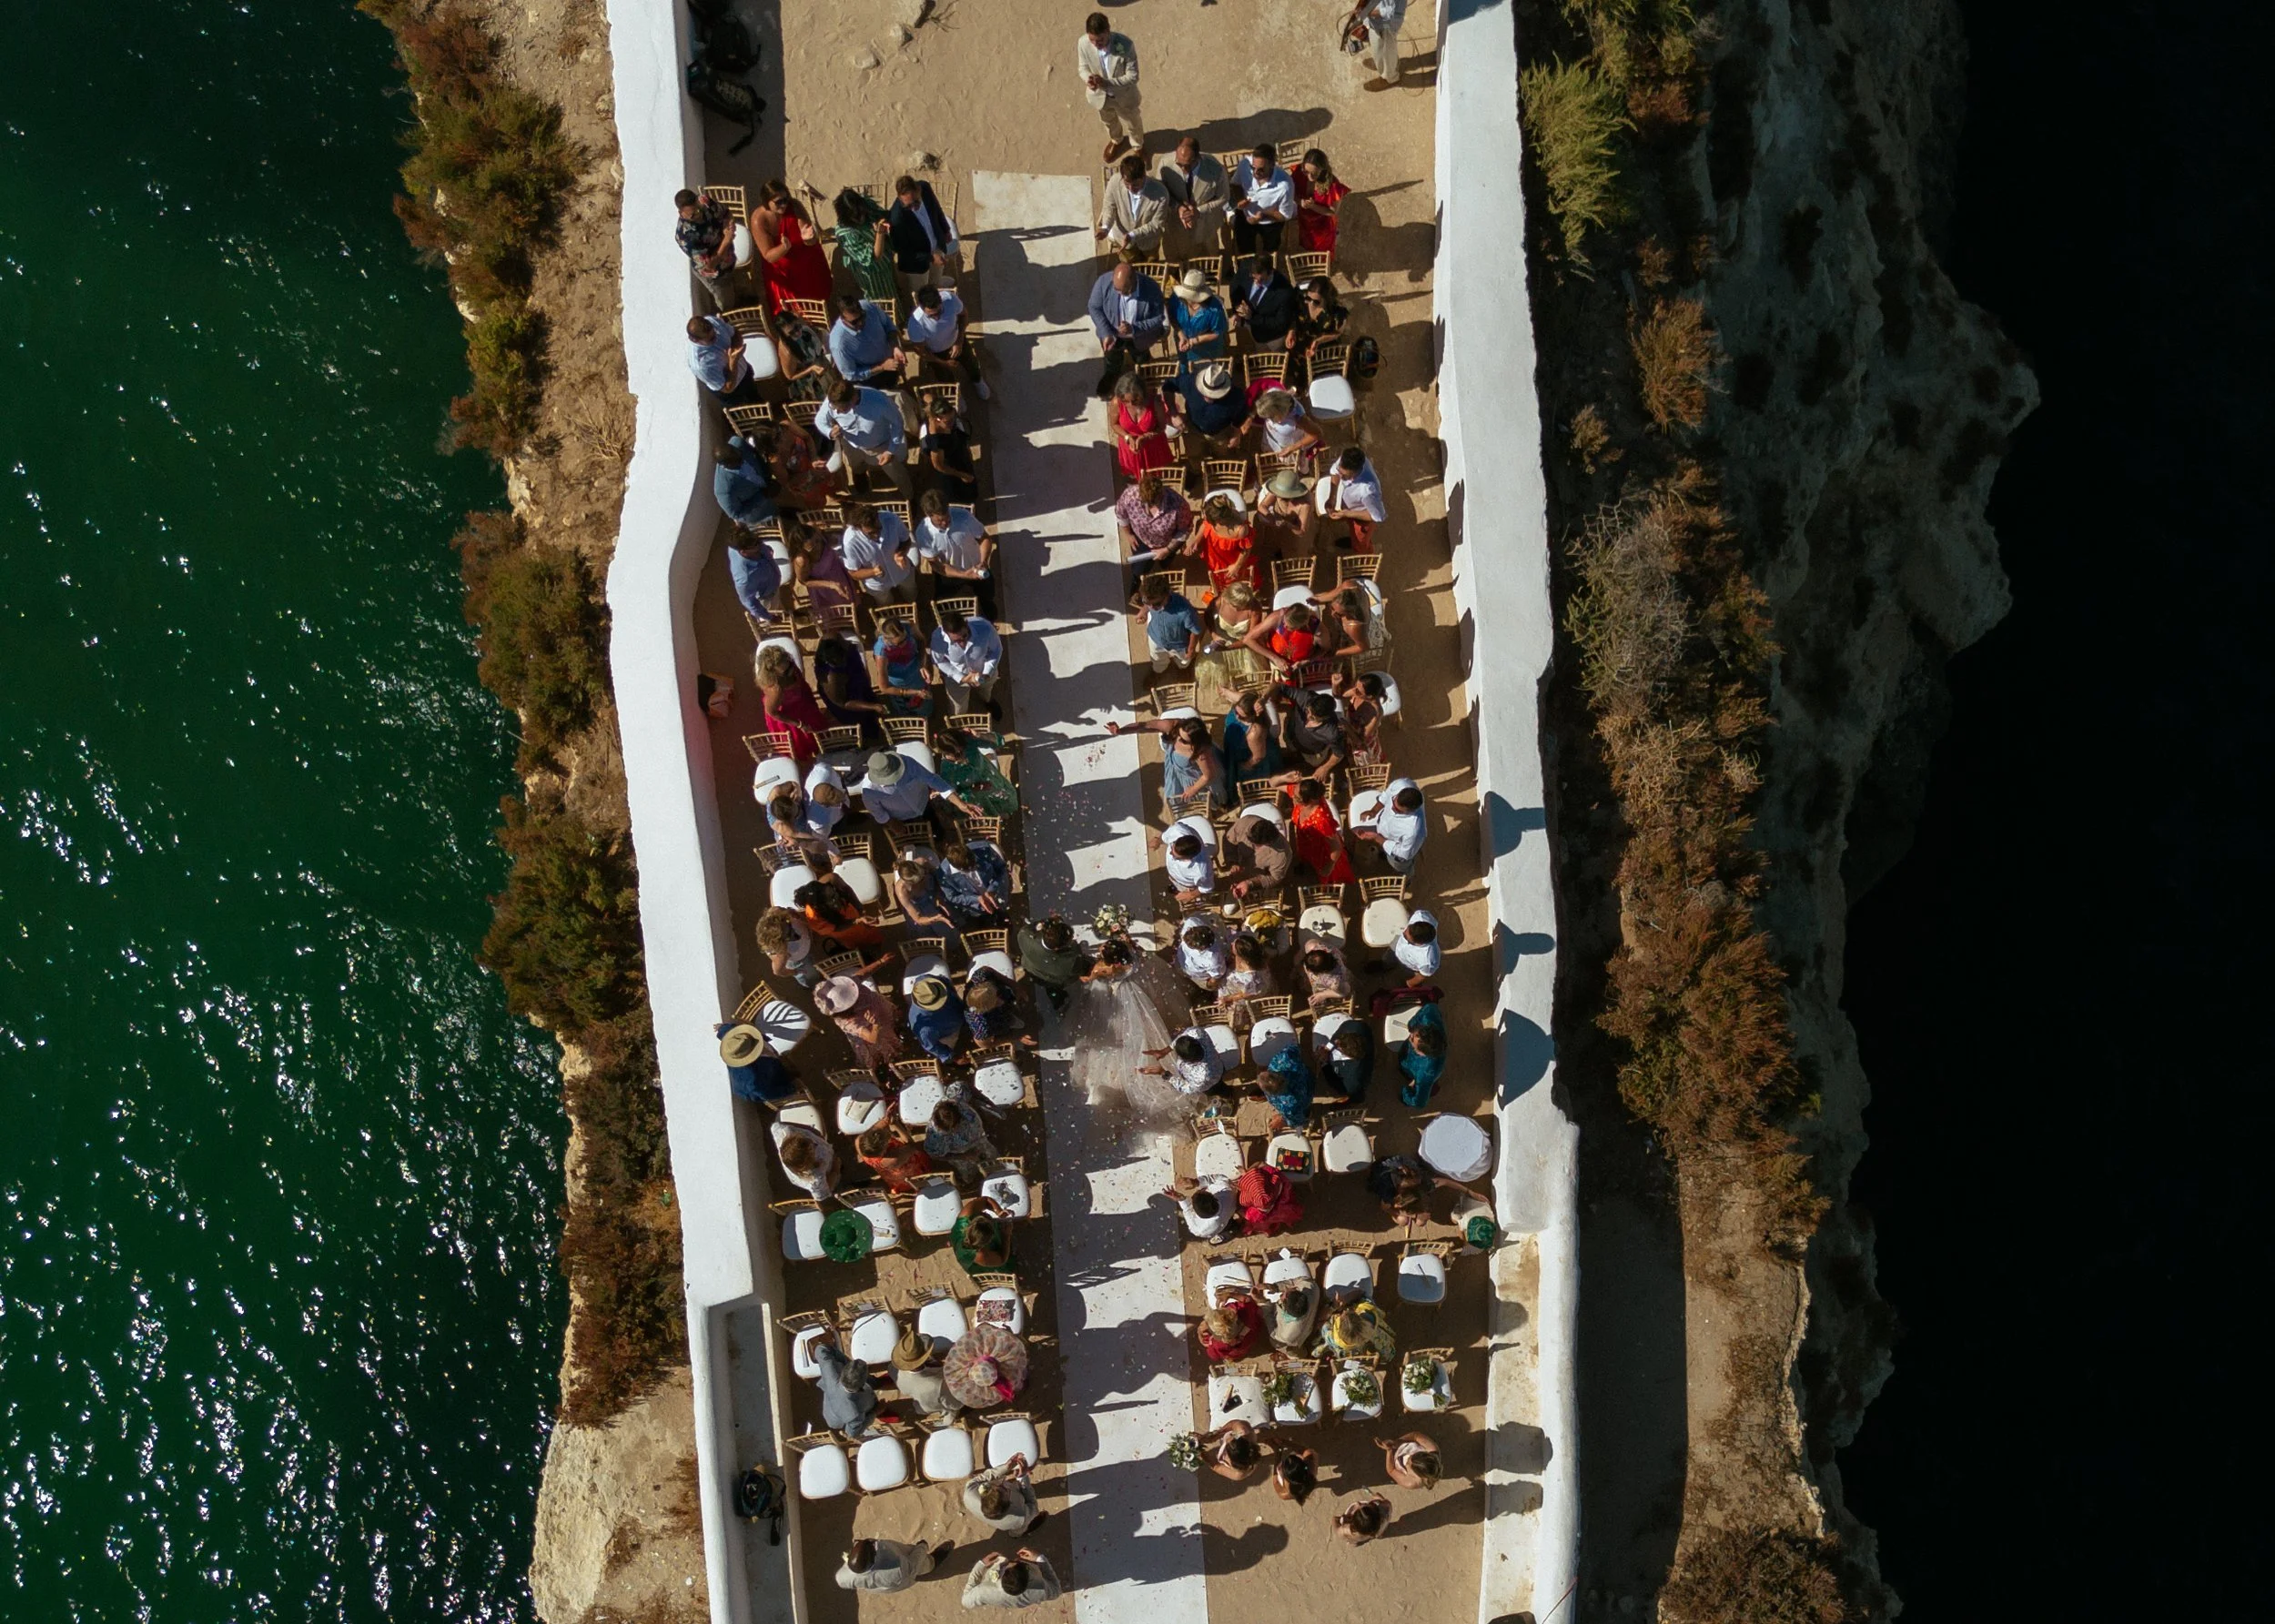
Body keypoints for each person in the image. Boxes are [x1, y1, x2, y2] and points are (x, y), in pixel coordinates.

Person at [1062, 935, 1193, 1140]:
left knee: (1123, 1035)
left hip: (1122, 1002)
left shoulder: (1106, 970)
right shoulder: (1134, 956)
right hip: (1140, 991)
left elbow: (1089, 978)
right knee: (1150, 1021)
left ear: (1113, 961)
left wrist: (1090, 977)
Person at [814, 377, 911, 495]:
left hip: (881, 446)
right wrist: (829, 431)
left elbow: (897, 424)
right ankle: (860, 476)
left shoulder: (880, 401)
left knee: (898, 474)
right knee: (856, 465)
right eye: (834, 409)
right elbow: (820, 420)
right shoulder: (833, 402)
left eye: (843, 409)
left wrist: (890, 450)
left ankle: (909, 496)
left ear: (854, 398)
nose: (837, 413)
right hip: (851, 444)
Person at [1087, 260, 1168, 397]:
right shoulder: (1103, 282)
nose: (1116, 292)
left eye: (1121, 290)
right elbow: (1094, 307)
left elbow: (1158, 318)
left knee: (1141, 358)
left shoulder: (1151, 288)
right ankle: (1112, 374)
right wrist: (1106, 332)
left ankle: (1145, 378)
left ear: (1132, 284)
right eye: (1115, 288)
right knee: (1112, 359)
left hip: (1139, 337)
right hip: (1112, 335)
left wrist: (1134, 328)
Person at [749, 183, 830, 310]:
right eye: (779, 202)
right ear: (766, 202)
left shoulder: (795, 206)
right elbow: (768, 256)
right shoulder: (759, 220)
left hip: (804, 256)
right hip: (781, 264)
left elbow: (810, 238)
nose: (784, 204)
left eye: (786, 199)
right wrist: (784, 247)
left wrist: (808, 239)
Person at [1075, 13, 1143, 163]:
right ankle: (1117, 139)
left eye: (1101, 40)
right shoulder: (1083, 43)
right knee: (1108, 120)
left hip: (1124, 96)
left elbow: (1133, 76)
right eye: (1093, 40)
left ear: (1108, 32)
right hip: (1100, 96)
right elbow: (1082, 67)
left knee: (1133, 122)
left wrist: (1107, 83)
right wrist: (1089, 79)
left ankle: (1137, 146)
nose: (1096, 45)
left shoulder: (1125, 45)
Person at [1193, 582, 1269, 712]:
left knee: (1250, 678)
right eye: (1236, 606)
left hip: (1243, 645)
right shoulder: (1221, 600)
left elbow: (1250, 637)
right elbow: (1207, 615)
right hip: (1219, 641)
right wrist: (1214, 634)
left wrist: (1229, 648)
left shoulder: (1254, 609)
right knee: (1218, 671)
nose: (1240, 609)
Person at [905, 283, 990, 397]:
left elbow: (964, 315)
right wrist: (943, 362)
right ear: (921, 307)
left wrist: (959, 341)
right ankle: (956, 394)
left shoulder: (950, 300)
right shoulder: (915, 323)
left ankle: (977, 380)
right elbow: (920, 350)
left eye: (939, 312)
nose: (937, 317)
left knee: (971, 362)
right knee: (944, 377)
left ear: (941, 300)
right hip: (936, 353)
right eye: (931, 315)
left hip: (957, 340)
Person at [1158, 136, 1228, 265]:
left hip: (1206, 221)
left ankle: (1211, 271)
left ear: (1198, 157)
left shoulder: (1216, 169)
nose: (1183, 169)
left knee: (1209, 251)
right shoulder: (1165, 163)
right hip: (1176, 221)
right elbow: (1161, 191)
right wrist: (1177, 207)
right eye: (1179, 164)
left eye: (1188, 165)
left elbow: (1223, 197)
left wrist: (1199, 211)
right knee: (1175, 250)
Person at [886, 171, 960, 293]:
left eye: (916, 202)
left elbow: (936, 208)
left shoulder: (924, 187)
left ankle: (936, 283)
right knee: (922, 291)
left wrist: (946, 229)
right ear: (900, 198)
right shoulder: (897, 218)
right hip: (918, 262)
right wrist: (931, 258)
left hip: (936, 244)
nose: (913, 208)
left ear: (919, 190)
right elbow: (903, 251)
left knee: (936, 276)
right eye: (908, 206)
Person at [754, 644, 830, 761]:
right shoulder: (776, 690)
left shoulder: (791, 668)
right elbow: (772, 712)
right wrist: (799, 724)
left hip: (803, 704)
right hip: (791, 717)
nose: (791, 670)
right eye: (785, 672)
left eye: (790, 665)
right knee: (802, 742)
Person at [673, 187, 746, 307]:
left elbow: (725, 213)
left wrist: (729, 224)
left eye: (699, 210)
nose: (698, 215)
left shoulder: (704, 202)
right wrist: (727, 241)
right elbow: (709, 266)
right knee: (726, 300)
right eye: (693, 215)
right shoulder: (686, 237)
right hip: (716, 273)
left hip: (728, 258)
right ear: (681, 213)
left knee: (734, 281)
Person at [864, 748, 978, 823]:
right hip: (902, 819)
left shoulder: (906, 762)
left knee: (937, 831)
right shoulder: (869, 791)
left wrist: (960, 803)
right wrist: (892, 824)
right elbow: (877, 811)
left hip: (924, 802)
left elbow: (932, 780)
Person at [1366, 1151, 1477, 1226]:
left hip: (1400, 1168)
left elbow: (1446, 1182)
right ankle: (1409, 1217)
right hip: (1382, 1170)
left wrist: (1470, 1192)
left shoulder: (1422, 1183)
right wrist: (1412, 1215)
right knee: (1403, 1221)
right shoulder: (1388, 1192)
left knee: (1420, 1222)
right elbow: (1385, 1207)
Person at [815, 973, 903, 1068]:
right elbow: (872, 1039)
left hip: (880, 1011)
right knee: (886, 1045)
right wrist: (875, 1025)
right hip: (875, 1031)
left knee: (893, 1023)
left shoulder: (847, 986)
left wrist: (881, 961)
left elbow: (861, 975)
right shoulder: (849, 1023)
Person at [1116, 469, 1195, 576]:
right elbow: (1121, 515)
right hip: (1141, 541)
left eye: (1154, 502)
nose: (1151, 506)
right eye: (1146, 502)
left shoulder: (1178, 505)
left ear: (1162, 493)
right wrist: (1128, 534)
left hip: (1167, 543)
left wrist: (1168, 550)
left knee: (1166, 563)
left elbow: (1185, 530)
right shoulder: (1130, 495)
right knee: (1138, 571)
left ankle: (1165, 565)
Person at [839, 500, 916, 607]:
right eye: (871, 533)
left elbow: (906, 540)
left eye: (878, 529)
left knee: (911, 595)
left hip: (902, 571)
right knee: (886, 604)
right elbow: (853, 572)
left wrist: (900, 553)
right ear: (858, 528)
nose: (877, 535)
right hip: (878, 584)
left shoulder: (891, 519)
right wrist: (873, 572)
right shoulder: (850, 542)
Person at [826, 294, 909, 390]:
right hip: (871, 380)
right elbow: (852, 375)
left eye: (862, 316)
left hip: (891, 362)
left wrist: (895, 347)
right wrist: (882, 367)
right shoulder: (838, 344)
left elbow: (888, 324)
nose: (861, 322)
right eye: (854, 322)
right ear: (842, 319)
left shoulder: (868, 307)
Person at [814, 1331, 887, 1440]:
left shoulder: (830, 1370)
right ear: (862, 1385)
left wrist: (829, 1343)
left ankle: (877, 1383)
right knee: (874, 1408)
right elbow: (852, 1433)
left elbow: (820, 1350)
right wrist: (875, 1412)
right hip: (838, 1416)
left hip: (833, 1400)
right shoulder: (853, 1414)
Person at [830, 186, 897, 302]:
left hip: (886, 263)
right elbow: (874, 256)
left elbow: (882, 215)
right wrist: (880, 233)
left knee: (893, 295)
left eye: (862, 213)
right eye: (856, 216)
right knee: (881, 302)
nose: (861, 218)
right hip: (870, 273)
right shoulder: (846, 234)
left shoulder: (865, 206)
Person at [931, 608, 1004, 713]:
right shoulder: (938, 638)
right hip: (957, 679)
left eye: (965, 636)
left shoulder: (985, 628)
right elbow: (939, 661)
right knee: (958, 710)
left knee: (986, 691)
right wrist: (961, 678)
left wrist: (987, 673)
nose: (963, 643)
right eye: (956, 641)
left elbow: (996, 650)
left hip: (984, 672)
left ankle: (988, 701)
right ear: (946, 634)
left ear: (966, 624)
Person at [1316, 445, 1389, 550]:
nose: (1341, 477)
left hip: (1361, 517)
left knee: (1360, 545)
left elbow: (1377, 516)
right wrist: (1332, 498)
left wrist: (1347, 514)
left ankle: (1365, 548)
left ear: (1356, 473)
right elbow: (1335, 474)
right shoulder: (1346, 461)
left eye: (1345, 476)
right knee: (1352, 530)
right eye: (1340, 472)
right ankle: (1353, 539)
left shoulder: (1368, 490)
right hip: (1350, 506)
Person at [1097, 152, 1170, 257]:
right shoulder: (1114, 182)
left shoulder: (1161, 193)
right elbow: (1109, 206)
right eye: (1127, 184)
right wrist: (1106, 227)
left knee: (1150, 265)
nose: (1131, 189)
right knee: (1128, 267)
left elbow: (1157, 225)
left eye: (1136, 185)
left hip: (1149, 242)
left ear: (1144, 176)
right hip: (1123, 241)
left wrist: (1133, 235)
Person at [1288, 776, 1358, 884]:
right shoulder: (1301, 795)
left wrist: (1328, 868)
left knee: (1325, 884)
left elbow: (1337, 847)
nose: (1293, 798)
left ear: (1308, 800)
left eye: (1296, 797)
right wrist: (1285, 777)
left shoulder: (1322, 820)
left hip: (1322, 855)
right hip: (1307, 847)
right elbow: (1274, 783)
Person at [1110, 370, 1177, 482]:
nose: (1130, 404)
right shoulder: (1117, 402)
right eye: (1126, 401)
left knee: (1155, 478)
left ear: (1142, 393)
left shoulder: (1155, 402)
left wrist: (1146, 436)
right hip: (1130, 447)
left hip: (1152, 446)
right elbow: (1114, 424)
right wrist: (1127, 437)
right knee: (1133, 477)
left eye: (1135, 400)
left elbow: (1162, 427)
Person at [1168, 361, 1249, 453]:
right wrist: (1174, 414)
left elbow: (1241, 416)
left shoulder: (1236, 396)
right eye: (1205, 392)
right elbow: (1168, 386)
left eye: (1214, 394)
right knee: (1195, 458)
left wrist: (1236, 434)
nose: (1208, 397)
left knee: (1222, 459)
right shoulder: (1190, 382)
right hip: (1193, 430)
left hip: (1221, 433)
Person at [1230, 145, 1295, 259]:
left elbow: (1284, 216)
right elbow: (1236, 184)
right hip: (1245, 216)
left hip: (1271, 223)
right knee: (1244, 250)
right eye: (1253, 167)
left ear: (1272, 165)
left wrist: (1264, 214)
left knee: (1269, 254)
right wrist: (1240, 199)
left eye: (1261, 169)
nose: (1255, 172)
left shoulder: (1285, 186)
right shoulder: (1245, 165)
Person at [935, 726, 1018, 815]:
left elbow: (1000, 741)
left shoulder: (969, 742)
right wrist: (974, 789)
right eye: (957, 754)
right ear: (946, 753)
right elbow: (954, 795)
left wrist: (980, 735)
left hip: (994, 780)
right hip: (978, 798)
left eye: (963, 749)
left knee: (1011, 802)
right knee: (992, 815)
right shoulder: (947, 771)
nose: (963, 756)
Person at [1130, 571, 1201, 673]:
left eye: (1157, 604)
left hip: (1179, 644)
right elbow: (1149, 604)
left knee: (1183, 661)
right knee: (1157, 659)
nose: (1152, 607)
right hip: (1155, 637)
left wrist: (1191, 650)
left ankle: (1183, 670)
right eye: (1147, 602)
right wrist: (1143, 611)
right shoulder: (1152, 602)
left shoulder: (1185, 611)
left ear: (1168, 594)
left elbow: (1195, 631)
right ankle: (1158, 672)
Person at [684, 313, 763, 404]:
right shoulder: (701, 365)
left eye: (714, 333)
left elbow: (735, 334)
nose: (716, 338)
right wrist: (733, 362)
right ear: (695, 340)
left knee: (754, 395)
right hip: (734, 393)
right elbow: (727, 388)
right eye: (711, 339)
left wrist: (734, 348)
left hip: (744, 371)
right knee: (747, 409)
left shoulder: (712, 321)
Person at [1016, 914, 1087, 1014]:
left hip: (1030, 969)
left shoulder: (1024, 935)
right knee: (1054, 988)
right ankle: (1061, 1003)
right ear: (1057, 949)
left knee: (1050, 988)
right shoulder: (1071, 961)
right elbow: (1078, 968)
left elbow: (1034, 926)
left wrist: (1048, 920)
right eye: (1069, 941)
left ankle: (1058, 1003)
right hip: (1054, 980)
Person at [1167, 267, 1230, 374]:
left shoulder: (1214, 308)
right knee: (1187, 374)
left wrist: (1194, 340)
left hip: (1209, 350)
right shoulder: (1176, 299)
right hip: (1184, 346)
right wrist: (1181, 335)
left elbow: (1217, 332)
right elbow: (1172, 317)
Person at [1222, 802, 1293, 898]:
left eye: (1254, 842)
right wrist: (1232, 862)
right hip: (1238, 866)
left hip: (1256, 879)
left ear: (1268, 843)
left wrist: (1250, 883)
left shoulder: (1282, 855)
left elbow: (1274, 879)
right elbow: (1228, 839)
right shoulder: (1246, 823)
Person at [810, 632, 881, 728]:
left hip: (856, 681)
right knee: (865, 722)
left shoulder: (832, 638)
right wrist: (872, 707)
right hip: (849, 701)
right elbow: (844, 703)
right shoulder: (831, 679)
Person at [866, 617, 932, 721]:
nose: (904, 644)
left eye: (905, 639)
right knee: (907, 710)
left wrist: (923, 665)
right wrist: (914, 692)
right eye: (898, 644)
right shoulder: (881, 652)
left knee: (924, 707)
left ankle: (926, 718)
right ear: (887, 640)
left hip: (917, 677)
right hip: (900, 687)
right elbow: (884, 688)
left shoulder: (909, 626)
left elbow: (921, 641)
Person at [1194, 494, 1258, 600]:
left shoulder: (1240, 529)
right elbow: (1205, 524)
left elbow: (1246, 550)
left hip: (1230, 559)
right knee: (1215, 576)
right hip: (1213, 552)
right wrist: (1196, 540)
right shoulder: (1211, 516)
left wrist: (1236, 566)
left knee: (1232, 580)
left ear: (1221, 520)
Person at [937, 836, 1012, 926]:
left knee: (1005, 920)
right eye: (968, 870)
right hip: (975, 908)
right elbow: (952, 897)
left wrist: (992, 888)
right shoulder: (943, 874)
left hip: (998, 894)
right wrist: (976, 899)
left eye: (974, 865)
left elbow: (1002, 869)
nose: (974, 869)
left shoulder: (985, 849)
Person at [837, 1535, 951, 1594]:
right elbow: (914, 1564)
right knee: (924, 1565)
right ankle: (934, 1560)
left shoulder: (841, 1577)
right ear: (873, 1559)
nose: (873, 1542)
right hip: (905, 1575)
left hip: (883, 1587)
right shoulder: (896, 1567)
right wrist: (922, 1546)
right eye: (872, 1546)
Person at [920, 394, 980, 506]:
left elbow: (927, 396)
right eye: (948, 421)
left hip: (959, 450)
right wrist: (962, 475)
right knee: (963, 490)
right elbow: (939, 466)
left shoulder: (937, 411)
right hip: (953, 465)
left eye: (953, 417)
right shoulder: (937, 442)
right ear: (936, 420)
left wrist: (931, 401)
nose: (952, 422)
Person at [718, 1021, 795, 1106]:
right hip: (761, 1086)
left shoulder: (738, 1043)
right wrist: (790, 1089)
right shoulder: (753, 1077)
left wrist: (722, 1028)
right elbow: (765, 1093)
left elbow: (727, 1032)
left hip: (770, 1068)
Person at [770, 301, 834, 403]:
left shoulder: (800, 324)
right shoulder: (787, 351)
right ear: (784, 335)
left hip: (822, 365)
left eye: (797, 327)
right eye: (791, 333)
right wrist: (811, 369)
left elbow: (812, 332)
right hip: (810, 382)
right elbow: (790, 376)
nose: (797, 332)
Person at [714, 433, 779, 533]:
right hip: (758, 510)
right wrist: (763, 495)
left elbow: (755, 454)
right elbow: (737, 514)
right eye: (738, 461)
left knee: (782, 509)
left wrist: (767, 473)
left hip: (767, 487)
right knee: (775, 518)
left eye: (739, 453)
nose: (742, 458)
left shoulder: (738, 443)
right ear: (727, 465)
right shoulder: (723, 490)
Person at [892, 1326, 961, 1418]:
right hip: (932, 1405)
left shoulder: (893, 1369)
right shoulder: (939, 1384)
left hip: (920, 1401)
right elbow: (956, 1404)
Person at [1360, 779, 1428, 873]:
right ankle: (1385, 853)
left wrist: (1378, 839)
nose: (1392, 808)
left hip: (1397, 855)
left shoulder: (1414, 830)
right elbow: (1386, 795)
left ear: (1410, 811)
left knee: (1401, 868)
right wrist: (1374, 811)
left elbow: (1404, 854)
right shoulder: (1400, 784)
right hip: (1385, 836)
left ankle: (1406, 880)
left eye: (1397, 810)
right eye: (1393, 801)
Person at [1281, 691, 1351, 781]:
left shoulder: (1332, 732)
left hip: (1312, 753)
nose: (1308, 716)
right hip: (1291, 735)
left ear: (1325, 718)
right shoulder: (1305, 697)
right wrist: (1265, 699)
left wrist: (1324, 768)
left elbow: (1339, 754)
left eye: (1313, 717)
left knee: (1311, 765)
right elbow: (1279, 687)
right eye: (1307, 711)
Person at [1230, 257, 1298, 350]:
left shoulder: (1284, 292)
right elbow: (1235, 284)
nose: (1256, 282)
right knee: (1245, 349)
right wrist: (1237, 308)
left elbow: (1279, 323)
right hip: (1245, 322)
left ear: (1270, 272)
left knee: (1266, 359)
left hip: (1270, 336)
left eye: (1260, 280)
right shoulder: (1246, 266)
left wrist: (1252, 317)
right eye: (1253, 278)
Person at [1252, 386, 1325, 473]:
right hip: (1272, 438)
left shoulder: (1298, 417)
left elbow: (1317, 433)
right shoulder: (1270, 395)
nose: (1270, 420)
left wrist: (1293, 448)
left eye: (1271, 417)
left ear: (1281, 411)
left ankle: (1306, 454)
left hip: (1288, 443)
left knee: (1291, 469)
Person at [963, 1456, 1042, 1534]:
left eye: (996, 1487)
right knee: (1020, 1528)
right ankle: (1016, 1534)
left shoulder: (969, 1492)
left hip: (985, 1517)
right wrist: (1022, 1478)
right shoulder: (1021, 1516)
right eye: (1006, 1490)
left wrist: (1006, 1467)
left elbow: (983, 1477)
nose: (1003, 1483)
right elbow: (1032, 1504)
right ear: (1009, 1504)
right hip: (1016, 1523)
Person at [1293, 149, 1350, 257]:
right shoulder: (1299, 172)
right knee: (1307, 240)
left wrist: (1313, 206)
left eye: (1314, 174)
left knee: (1321, 249)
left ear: (1323, 170)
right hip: (1304, 219)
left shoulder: (1333, 186)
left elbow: (1332, 212)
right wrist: (1299, 202)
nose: (1309, 177)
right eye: (1306, 172)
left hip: (1322, 224)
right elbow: (1291, 192)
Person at [963, 1549, 1062, 1609]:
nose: (1015, 1560)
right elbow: (1057, 1591)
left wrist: (980, 1566)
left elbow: (965, 1601)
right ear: (1028, 1576)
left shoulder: (983, 1592)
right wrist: (1040, 1559)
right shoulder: (1041, 1590)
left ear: (1001, 1577)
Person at [1344, 0, 1410, 88]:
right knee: (1377, 43)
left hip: (1388, 23)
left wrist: (1366, 13)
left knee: (1388, 49)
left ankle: (1390, 78)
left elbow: (1389, 12)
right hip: (1377, 18)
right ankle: (1381, 64)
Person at [1394, 998, 1447, 1106]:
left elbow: (1419, 1103)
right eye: (1415, 1033)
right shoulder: (1428, 1017)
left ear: (1422, 1053)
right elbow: (1430, 1007)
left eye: (1413, 1040)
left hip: (1412, 1067)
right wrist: (1412, 1025)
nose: (1411, 1035)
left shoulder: (1426, 1073)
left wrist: (1406, 1090)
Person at [907, 974, 970, 1064]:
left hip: (959, 1010)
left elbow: (945, 981)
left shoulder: (926, 983)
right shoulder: (924, 1029)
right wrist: (953, 1057)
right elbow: (932, 1046)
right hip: (950, 1033)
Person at [1146, 1026, 1226, 1094]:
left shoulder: (1202, 1077)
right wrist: (1164, 1051)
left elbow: (1188, 1088)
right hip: (1217, 1065)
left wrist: (1164, 1073)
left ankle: (1228, 1095)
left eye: (1180, 1057)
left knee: (1218, 1089)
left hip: (1213, 1080)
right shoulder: (1197, 1033)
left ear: (1189, 1061)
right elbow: (1183, 1037)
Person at [724, 530, 783, 624]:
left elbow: (760, 546)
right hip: (767, 597)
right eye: (756, 545)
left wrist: (767, 550)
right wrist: (769, 617)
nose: (760, 544)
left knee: (778, 605)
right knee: (768, 622)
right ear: (743, 551)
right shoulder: (745, 578)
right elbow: (749, 601)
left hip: (772, 583)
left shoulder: (744, 543)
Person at [892, 852, 956, 936]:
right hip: (920, 905)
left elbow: (936, 875)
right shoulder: (902, 891)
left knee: (951, 913)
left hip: (932, 891)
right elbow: (918, 919)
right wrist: (935, 919)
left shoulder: (923, 862)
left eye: (923, 877)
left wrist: (938, 895)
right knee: (927, 932)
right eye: (917, 882)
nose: (921, 882)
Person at [857, 1123, 934, 1193]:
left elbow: (875, 1128)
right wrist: (896, 1125)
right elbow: (912, 1146)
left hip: (887, 1172)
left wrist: (886, 1119)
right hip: (904, 1169)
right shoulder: (893, 1159)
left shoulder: (860, 1142)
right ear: (883, 1150)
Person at [754, 907, 820, 987]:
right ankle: (813, 984)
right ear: (780, 943)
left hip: (806, 944)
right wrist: (795, 972)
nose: (795, 934)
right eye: (789, 936)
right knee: (811, 976)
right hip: (800, 960)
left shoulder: (776, 913)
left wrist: (796, 916)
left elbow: (787, 911)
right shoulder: (781, 955)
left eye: (789, 925)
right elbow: (777, 971)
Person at [1157, 816, 1217, 902]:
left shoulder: (1201, 872)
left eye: (1176, 857)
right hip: (1174, 875)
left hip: (1186, 884)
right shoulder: (1178, 830)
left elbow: (1207, 887)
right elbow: (1166, 835)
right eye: (1172, 847)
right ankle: (1174, 883)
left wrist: (1191, 894)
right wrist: (1158, 841)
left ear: (1189, 858)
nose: (1170, 853)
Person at [1161, 1172, 1237, 1241]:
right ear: (1214, 1198)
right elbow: (1222, 1178)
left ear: (1196, 1213)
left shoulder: (1199, 1230)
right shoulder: (1228, 1195)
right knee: (1228, 1222)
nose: (1198, 1190)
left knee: (1223, 1230)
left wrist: (1182, 1199)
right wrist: (1196, 1182)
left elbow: (1188, 1211)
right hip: (1229, 1213)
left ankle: (1231, 1231)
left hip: (1218, 1226)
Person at [926, 1093, 996, 1165]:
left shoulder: (956, 1099)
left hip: (980, 1140)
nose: (953, 1131)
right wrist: (963, 1156)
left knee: (995, 1162)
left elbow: (969, 1089)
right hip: (959, 1153)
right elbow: (935, 1155)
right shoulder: (934, 1137)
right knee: (970, 1173)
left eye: (954, 1128)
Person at [1236, 1161, 1303, 1235]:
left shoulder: (1255, 1213)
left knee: (1258, 1222)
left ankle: (1266, 1229)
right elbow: (1261, 1163)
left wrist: (1246, 1174)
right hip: (1284, 1210)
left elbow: (1240, 1211)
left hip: (1264, 1220)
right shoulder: (1280, 1182)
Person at [1257, 1045, 1315, 1131]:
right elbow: (1293, 1048)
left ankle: (1308, 1113)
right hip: (1308, 1076)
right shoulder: (1282, 1059)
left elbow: (1296, 1121)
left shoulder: (1289, 1104)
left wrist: (1283, 1119)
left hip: (1306, 1095)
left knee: (1301, 1114)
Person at [1318, 1018, 1375, 1102]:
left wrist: (1325, 1064)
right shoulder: (1355, 1026)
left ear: (1351, 1057)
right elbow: (1338, 1036)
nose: (1336, 1041)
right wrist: (1327, 1049)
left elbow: (1339, 1086)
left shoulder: (1353, 1078)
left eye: (1340, 1047)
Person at [1321, 1299, 1398, 1363]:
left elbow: (1329, 1336)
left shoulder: (1336, 1338)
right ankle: (1387, 1356)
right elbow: (1371, 1307)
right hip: (1372, 1333)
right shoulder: (1367, 1314)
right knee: (1382, 1343)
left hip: (1353, 1346)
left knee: (1325, 1327)